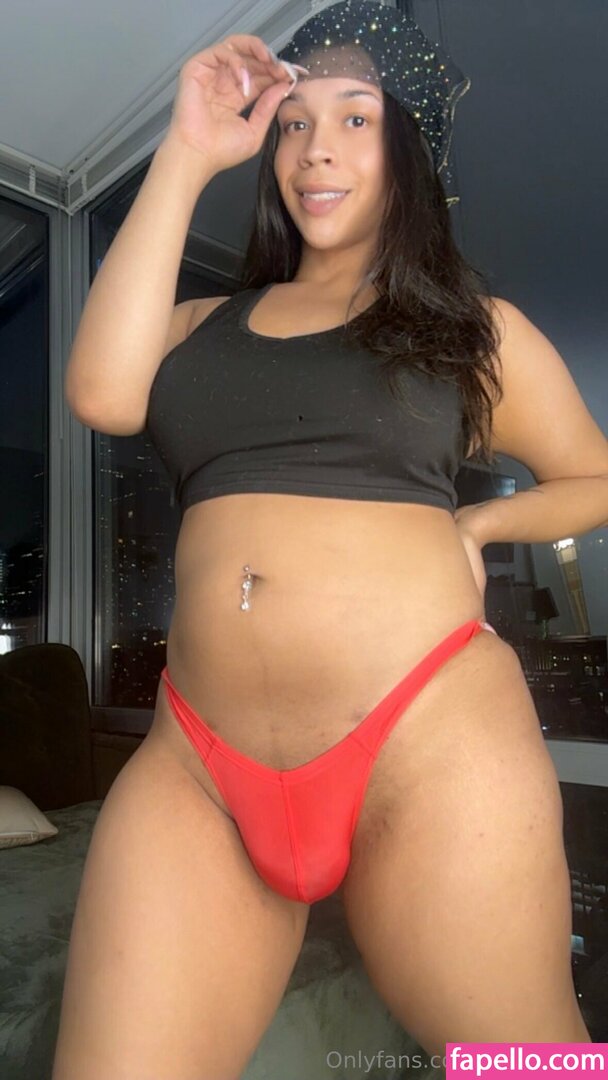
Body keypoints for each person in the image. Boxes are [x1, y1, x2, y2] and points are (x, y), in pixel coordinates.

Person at [53, 6, 594, 1076]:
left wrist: (479, 520)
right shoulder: (205, 326)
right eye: (294, 123)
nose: (316, 149)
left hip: (425, 738)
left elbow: (594, 478)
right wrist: (187, 148)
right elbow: (102, 393)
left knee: (525, 1061)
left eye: (355, 118)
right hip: (199, 762)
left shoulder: (471, 328)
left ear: (408, 155)